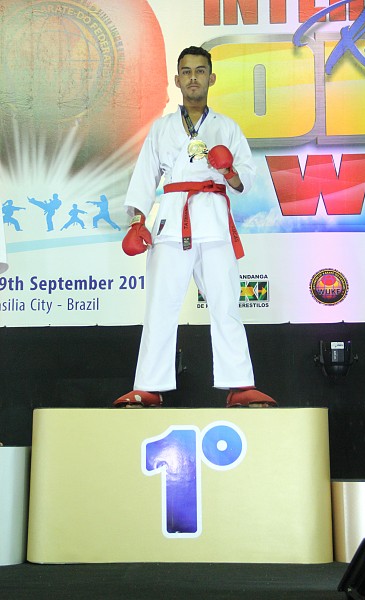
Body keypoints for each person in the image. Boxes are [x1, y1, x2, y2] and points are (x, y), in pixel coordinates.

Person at [114, 46, 277, 409]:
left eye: (200, 71)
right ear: (177, 80)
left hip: (215, 223)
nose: (193, 78)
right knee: (160, 307)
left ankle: (239, 384)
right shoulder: (162, 128)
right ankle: (148, 386)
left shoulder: (227, 127)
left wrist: (228, 170)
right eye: (186, 72)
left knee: (226, 305)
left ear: (211, 78)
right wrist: (138, 220)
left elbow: (246, 181)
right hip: (171, 222)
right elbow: (145, 176)